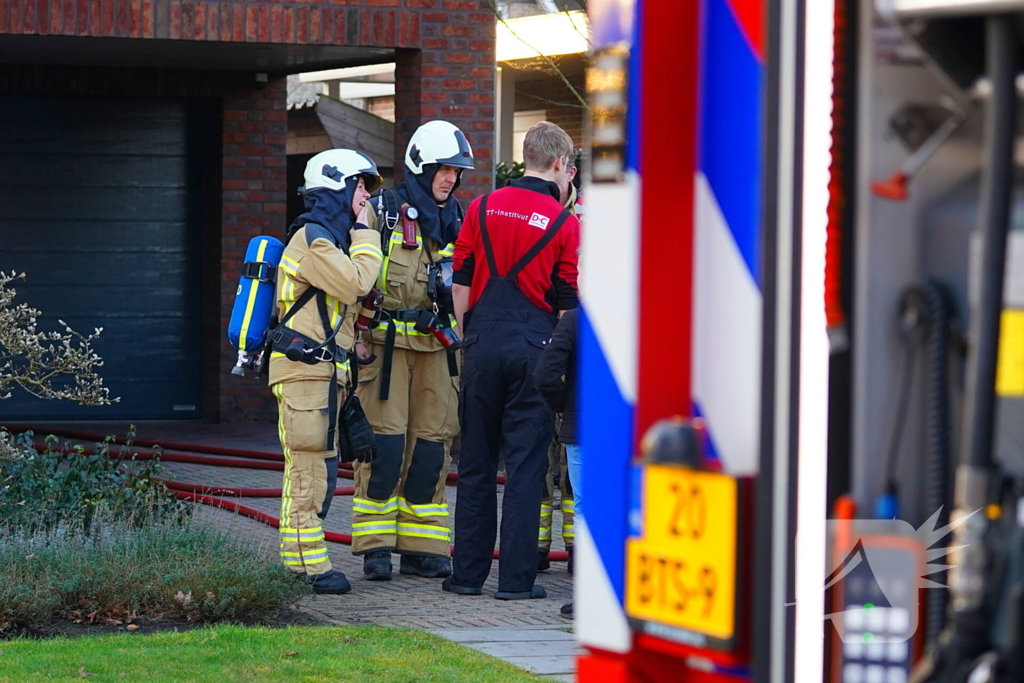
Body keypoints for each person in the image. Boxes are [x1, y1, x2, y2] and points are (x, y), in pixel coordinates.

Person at [445, 121, 581, 600]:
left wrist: (470, 337)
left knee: (477, 461)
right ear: (561, 164)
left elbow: (460, 282)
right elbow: (568, 300)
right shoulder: (565, 223)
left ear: (526, 157)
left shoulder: (480, 207)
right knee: (525, 466)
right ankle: (516, 584)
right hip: (535, 349)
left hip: (481, 341)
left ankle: (466, 577)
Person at [351, 121, 474, 581]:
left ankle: (422, 546)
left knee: (431, 445)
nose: (451, 178)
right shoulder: (383, 211)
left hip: (439, 348)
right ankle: (376, 546)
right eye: (444, 169)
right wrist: (355, 341)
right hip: (384, 345)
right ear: (421, 166)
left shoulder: (460, 219)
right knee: (384, 444)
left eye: (456, 171)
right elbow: (357, 279)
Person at [270, 149, 384, 595]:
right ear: (335, 187)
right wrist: (366, 237)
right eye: (359, 186)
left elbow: (348, 303)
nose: (364, 197)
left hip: (323, 373)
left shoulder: (330, 240)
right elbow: (356, 282)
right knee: (308, 465)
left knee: (323, 464)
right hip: (303, 374)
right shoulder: (314, 239)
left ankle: (304, 558)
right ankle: (306, 566)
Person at [538, 159, 582, 573]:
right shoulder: (537, 213)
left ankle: (576, 551)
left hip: (576, 346)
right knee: (539, 459)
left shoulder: (586, 218)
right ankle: (537, 549)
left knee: (574, 474)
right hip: (542, 343)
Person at [534, 306, 580, 617]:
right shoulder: (638, 314)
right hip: (628, 431)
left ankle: (593, 592)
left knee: (587, 509)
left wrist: (564, 406)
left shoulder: (576, 320)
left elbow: (545, 375)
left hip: (582, 429)